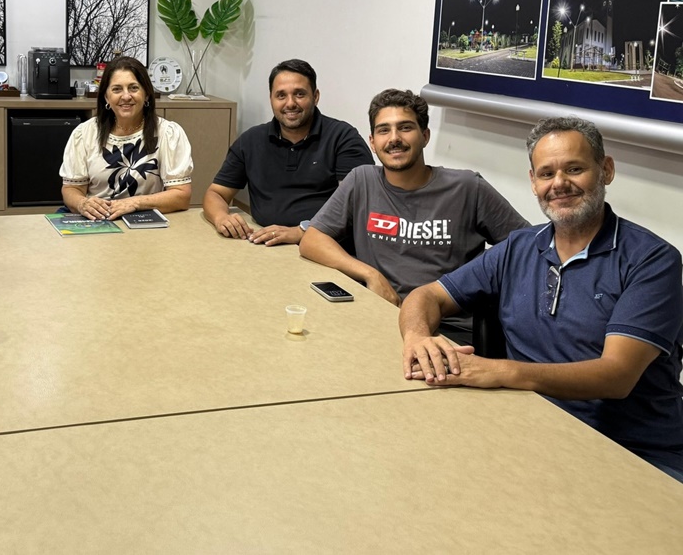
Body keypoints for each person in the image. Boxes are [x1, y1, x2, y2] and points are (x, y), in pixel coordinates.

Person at [399, 116, 683, 483]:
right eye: (546, 173)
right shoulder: (518, 247)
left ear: (606, 170)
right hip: (531, 430)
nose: (559, 183)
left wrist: (499, 371)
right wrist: (417, 337)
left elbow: (617, 376)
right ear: (533, 182)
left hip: (632, 451)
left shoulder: (652, 260)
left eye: (574, 169)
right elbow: (427, 295)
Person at [300, 89, 528, 319]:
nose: (394, 138)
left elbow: (529, 247)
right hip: (380, 314)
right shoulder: (361, 180)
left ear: (425, 136)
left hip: (445, 326)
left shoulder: (467, 187)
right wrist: (371, 275)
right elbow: (312, 240)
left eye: (405, 127)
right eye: (383, 130)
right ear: (372, 142)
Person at [203, 59, 372, 246]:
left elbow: (356, 206)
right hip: (265, 244)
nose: (290, 103)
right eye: (281, 95)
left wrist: (301, 231)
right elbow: (216, 193)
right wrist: (221, 217)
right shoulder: (250, 141)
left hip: (327, 245)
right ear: (271, 99)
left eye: (299, 94)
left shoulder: (343, 138)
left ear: (315, 96)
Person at [60, 55, 193, 220]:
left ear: (147, 94)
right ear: (106, 97)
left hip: (144, 219)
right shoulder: (84, 133)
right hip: (97, 220)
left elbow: (181, 196)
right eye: (117, 89)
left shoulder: (168, 133)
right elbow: (71, 189)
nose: (126, 96)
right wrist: (82, 203)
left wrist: (133, 203)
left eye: (133, 88)